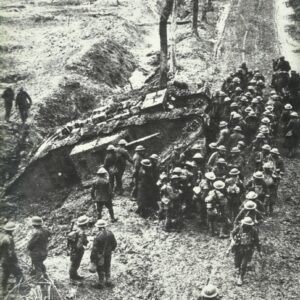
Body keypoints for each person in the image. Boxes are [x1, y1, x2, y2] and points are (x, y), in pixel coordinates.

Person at [229, 216, 262, 286]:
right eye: (246, 224)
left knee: (243, 264)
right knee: (237, 263)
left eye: (248, 225)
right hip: (238, 248)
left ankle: (241, 277)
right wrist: (232, 240)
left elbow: (257, 241)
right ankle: (238, 270)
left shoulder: (253, 230)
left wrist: (259, 251)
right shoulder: (239, 228)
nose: (246, 226)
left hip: (248, 249)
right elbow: (232, 233)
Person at [90, 219, 117, 289]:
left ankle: (101, 283)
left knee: (100, 268)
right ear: (105, 226)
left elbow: (94, 249)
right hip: (108, 254)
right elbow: (114, 244)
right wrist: (110, 250)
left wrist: (92, 258)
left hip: (100, 256)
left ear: (98, 227)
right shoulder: (110, 233)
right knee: (107, 266)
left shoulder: (97, 236)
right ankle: (108, 281)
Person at [0, 222, 23, 297]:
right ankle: (19, 291)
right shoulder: (9, 239)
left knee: (5, 275)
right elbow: (11, 253)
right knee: (19, 274)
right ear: (12, 230)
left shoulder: (2, 236)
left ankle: (3, 291)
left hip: (3, 260)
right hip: (10, 261)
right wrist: (15, 260)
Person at [68, 215, 89, 280]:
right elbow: (79, 245)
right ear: (85, 224)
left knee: (73, 262)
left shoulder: (76, 229)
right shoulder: (81, 232)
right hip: (77, 251)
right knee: (75, 263)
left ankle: (74, 275)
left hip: (73, 249)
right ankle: (73, 277)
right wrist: (82, 248)